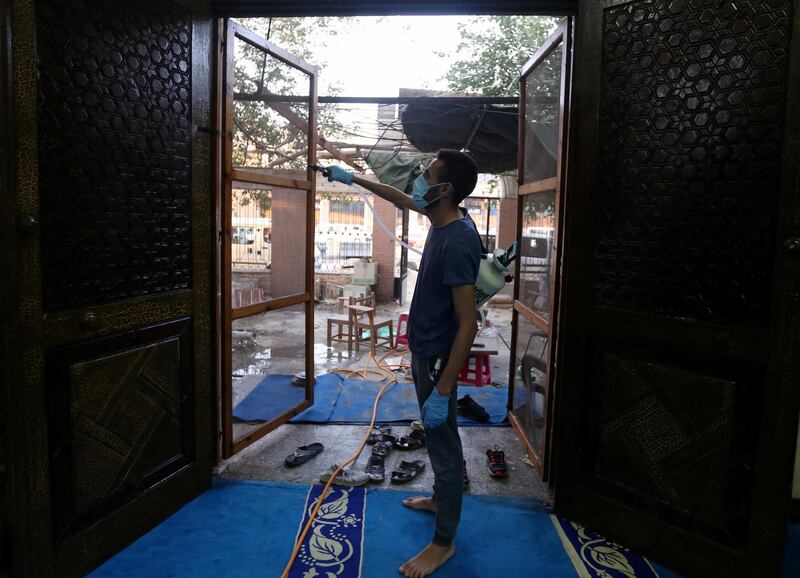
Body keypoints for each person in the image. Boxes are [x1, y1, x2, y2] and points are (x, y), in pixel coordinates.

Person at [325, 149, 481, 577]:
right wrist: (354, 179)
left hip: (437, 360)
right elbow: (399, 197)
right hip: (425, 350)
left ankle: (443, 542)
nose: (418, 178)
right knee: (434, 437)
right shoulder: (443, 215)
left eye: (426, 174)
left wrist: (444, 389)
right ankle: (438, 498)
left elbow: (469, 324)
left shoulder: (458, 240)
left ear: (444, 188)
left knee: (444, 444)